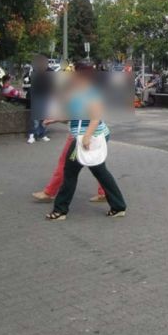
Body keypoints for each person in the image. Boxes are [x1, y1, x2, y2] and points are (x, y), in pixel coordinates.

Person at [45, 66, 127, 221]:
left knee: (70, 172)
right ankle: (118, 206)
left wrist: (86, 138)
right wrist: (56, 119)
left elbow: (95, 117)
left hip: (89, 138)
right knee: (100, 172)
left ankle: (60, 210)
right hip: (87, 137)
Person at [27, 55, 52, 144]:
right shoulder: (34, 71)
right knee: (35, 118)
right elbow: (30, 82)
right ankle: (32, 135)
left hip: (45, 96)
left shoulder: (50, 71)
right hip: (36, 96)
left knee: (44, 116)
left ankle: (42, 134)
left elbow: (52, 84)